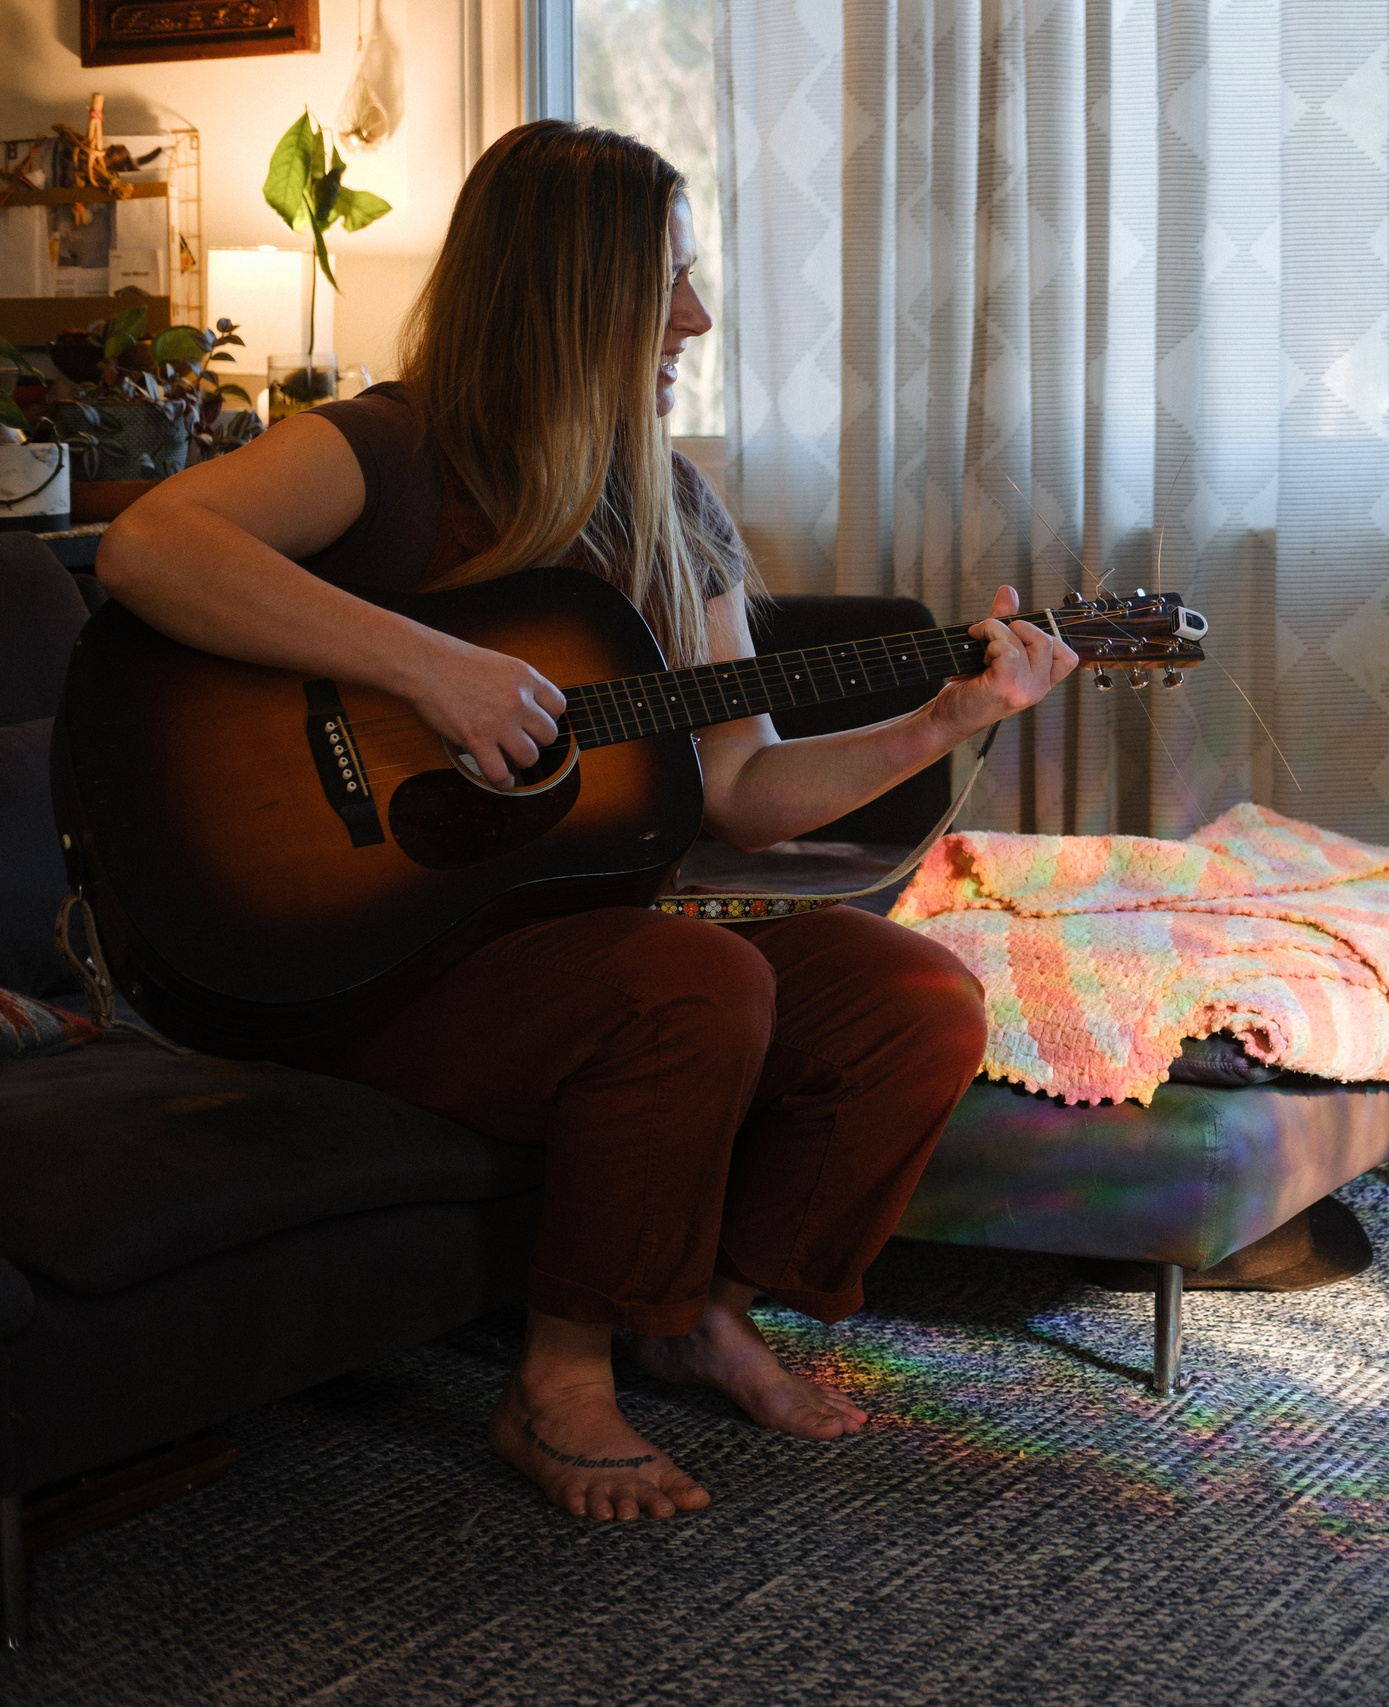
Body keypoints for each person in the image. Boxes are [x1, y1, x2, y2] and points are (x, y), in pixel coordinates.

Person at [92, 121, 1080, 1518]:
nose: (699, 315)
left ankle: (704, 1310)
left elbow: (739, 784)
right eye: (664, 278)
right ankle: (561, 1380)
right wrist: (423, 665)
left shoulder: (673, 506)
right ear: (563, 286)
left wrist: (941, 723)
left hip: (573, 961)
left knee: (910, 991)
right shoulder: (390, 448)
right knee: (690, 974)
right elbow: (148, 547)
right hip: (357, 968)